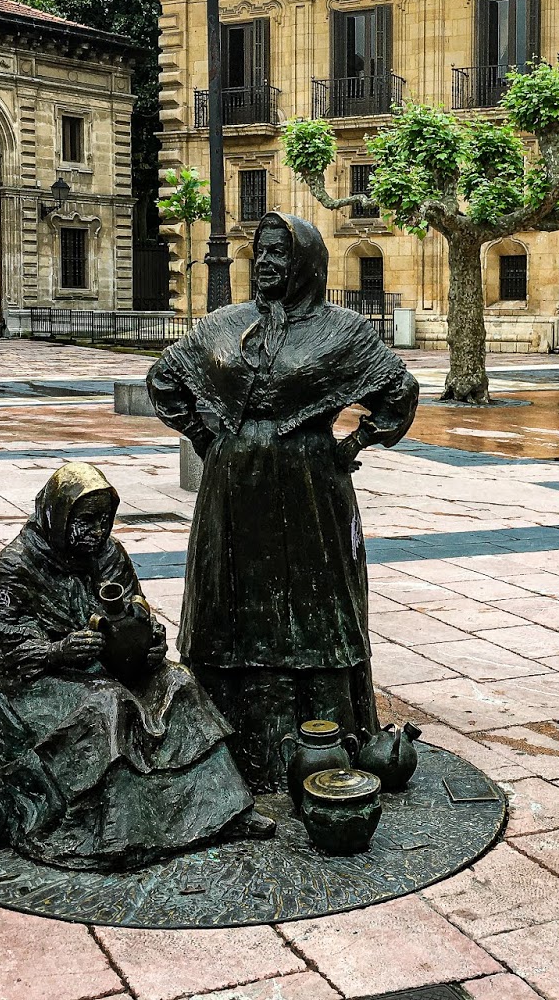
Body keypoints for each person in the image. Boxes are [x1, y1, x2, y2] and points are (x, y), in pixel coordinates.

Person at [147, 212, 419, 792]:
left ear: (306, 264)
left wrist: (353, 443)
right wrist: (209, 438)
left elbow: (399, 391)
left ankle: (323, 735)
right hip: (232, 485)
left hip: (310, 486)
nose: (267, 264)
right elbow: (165, 377)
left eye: (279, 255)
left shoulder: (341, 330)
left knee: (314, 598)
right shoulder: (224, 323)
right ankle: (230, 736)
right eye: (261, 253)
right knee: (231, 593)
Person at [0, 462, 274, 870]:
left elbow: (136, 615)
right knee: (108, 707)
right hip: (28, 680)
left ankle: (225, 810)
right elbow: (3, 655)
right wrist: (59, 651)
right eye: (85, 520)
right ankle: (114, 835)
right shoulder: (16, 566)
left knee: (179, 682)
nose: (96, 530)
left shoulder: (109, 556)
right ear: (57, 514)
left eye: (104, 520)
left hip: (103, 666)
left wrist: (150, 642)